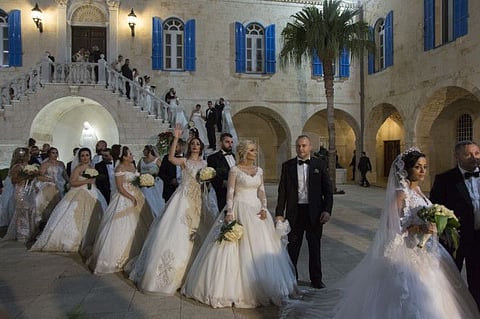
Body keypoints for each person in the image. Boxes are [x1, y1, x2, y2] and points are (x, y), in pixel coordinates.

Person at [279, 148, 480, 318]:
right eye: (418, 167)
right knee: (408, 294)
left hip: (425, 249)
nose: (422, 171)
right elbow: (391, 227)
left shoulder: (418, 191)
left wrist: (438, 224)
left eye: (425, 167)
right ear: (407, 169)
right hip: (408, 251)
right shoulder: (401, 194)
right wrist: (419, 228)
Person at [182, 140, 298, 308]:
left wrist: (264, 207)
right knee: (234, 247)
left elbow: (262, 191)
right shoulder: (235, 170)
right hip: (239, 207)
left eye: (255, 150)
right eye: (252, 150)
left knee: (262, 245)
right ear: (244, 153)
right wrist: (230, 212)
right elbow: (230, 192)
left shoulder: (259, 170)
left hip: (257, 210)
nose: (255, 153)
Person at [129, 124, 211, 294]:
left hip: (199, 198)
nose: (195, 146)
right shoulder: (184, 161)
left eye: (198, 144)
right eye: (193, 144)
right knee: (177, 230)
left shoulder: (205, 162)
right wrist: (175, 137)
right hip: (183, 197)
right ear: (190, 147)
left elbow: (205, 180)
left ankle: (196, 273)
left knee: (199, 230)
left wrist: (208, 181)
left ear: (201, 147)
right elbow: (172, 157)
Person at [275, 135, 333, 289]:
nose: (301, 149)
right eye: (298, 146)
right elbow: (282, 192)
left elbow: (328, 191)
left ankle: (316, 279)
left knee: (315, 247)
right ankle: (291, 278)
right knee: (293, 248)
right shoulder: (287, 166)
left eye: (304, 146)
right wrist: (279, 213)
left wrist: (327, 210)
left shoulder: (319, 164)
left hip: (315, 214)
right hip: (295, 213)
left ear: (310, 146)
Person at [430, 140, 480, 309]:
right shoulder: (445, 179)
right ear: (457, 156)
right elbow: (435, 208)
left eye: (477, 153)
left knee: (478, 281)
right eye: (468, 154)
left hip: (479, 239)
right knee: (450, 280)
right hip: (455, 240)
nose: (474, 158)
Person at [88, 146, 153, 274]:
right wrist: (131, 197)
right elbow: (120, 187)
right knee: (122, 226)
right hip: (124, 198)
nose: (132, 156)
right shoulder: (119, 168)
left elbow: (135, 182)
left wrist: (144, 182)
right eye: (129, 154)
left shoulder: (133, 167)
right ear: (123, 156)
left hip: (137, 195)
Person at [30, 148, 107, 256]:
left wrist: (92, 182)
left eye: (87, 155)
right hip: (79, 192)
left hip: (92, 192)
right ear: (79, 157)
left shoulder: (91, 167)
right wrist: (87, 181)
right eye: (83, 156)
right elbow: (72, 182)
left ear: (90, 156)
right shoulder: (78, 168)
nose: (85, 158)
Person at [4, 148, 37, 245]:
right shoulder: (17, 167)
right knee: (22, 212)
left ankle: (29, 232)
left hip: (28, 190)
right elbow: (14, 180)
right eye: (29, 154)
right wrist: (26, 176)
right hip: (20, 191)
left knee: (29, 210)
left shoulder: (28, 166)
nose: (30, 155)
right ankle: (22, 234)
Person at [34, 147, 69, 230]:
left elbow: (65, 175)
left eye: (56, 152)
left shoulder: (61, 163)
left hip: (60, 184)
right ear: (49, 154)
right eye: (53, 153)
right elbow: (39, 176)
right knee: (50, 204)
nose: (55, 154)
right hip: (50, 185)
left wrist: (69, 182)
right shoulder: (45, 164)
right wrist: (50, 179)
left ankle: (57, 223)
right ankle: (46, 223)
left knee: (60, 203)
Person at [207, 133, 235, 212]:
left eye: (231, 142)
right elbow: (212, 175)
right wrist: (223, 183)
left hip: (235, 192)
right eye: (227, 142)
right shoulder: (212, 158)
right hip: (222, 193)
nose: (230, 144)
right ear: (221, 143)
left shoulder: (233, 156)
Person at [137, 145, 165, 218]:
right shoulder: (141, 160)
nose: (143, 151)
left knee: (155, 200)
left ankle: (158, 215)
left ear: (149, 151)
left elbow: (163, 171)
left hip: (155, 184)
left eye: (144, 150)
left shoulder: (157, 160)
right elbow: (138, 171)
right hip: (143, 183)